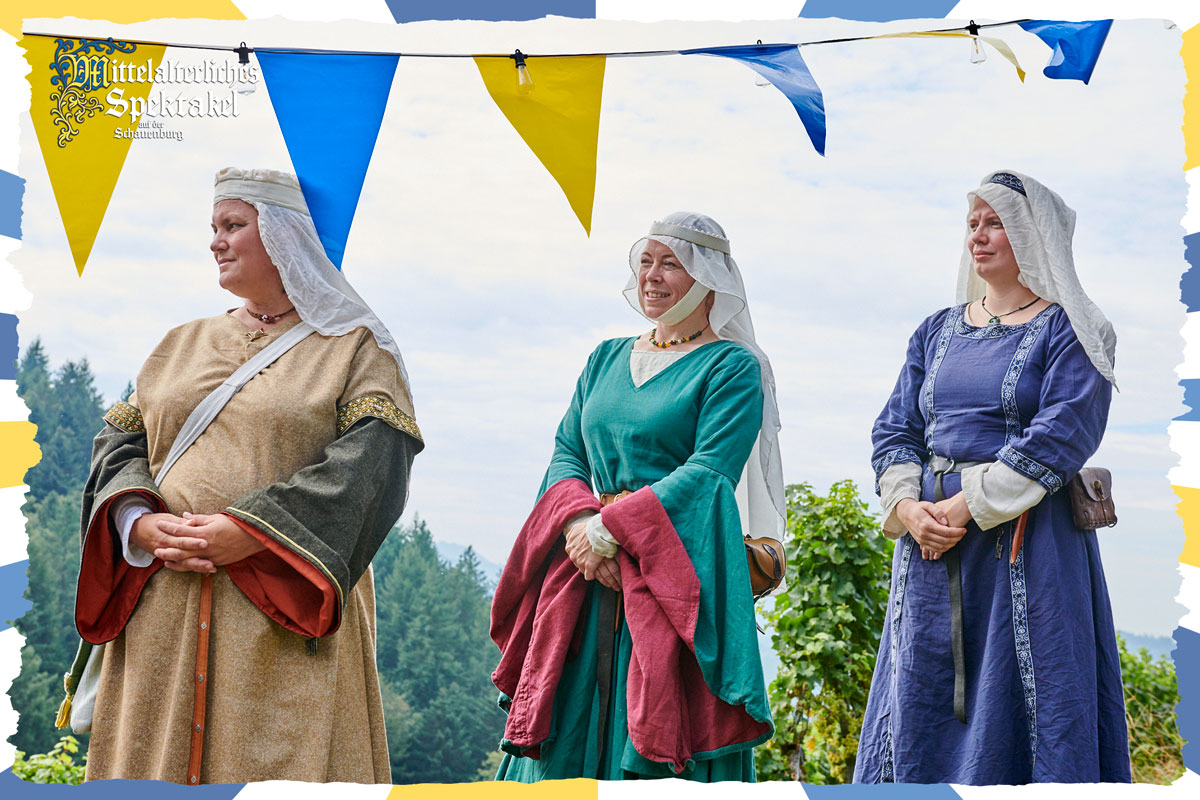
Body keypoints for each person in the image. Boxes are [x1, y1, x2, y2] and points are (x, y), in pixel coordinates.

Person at [74, 167, 423, 784]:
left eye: (233, 225)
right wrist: (139, 521)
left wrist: (253, 532)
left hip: (282, 610)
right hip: (162, 608)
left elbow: (374, 465)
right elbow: (120, 444)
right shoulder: (179, 343)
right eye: (214, 227)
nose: (216, 242)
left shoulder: (356, 347)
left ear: (286, 237)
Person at [854, 170, 1130, 784]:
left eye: (995, 223)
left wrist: (964, 506)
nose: (978, 236)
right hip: (929, 545)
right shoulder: (935, 330)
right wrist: (907, 508)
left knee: (1029, 688)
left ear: (1032, 233)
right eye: (972, 223)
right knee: (920, 690)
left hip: (1030, 544)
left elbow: (1063, 431)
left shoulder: (1073, 330)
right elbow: (896, 427)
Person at [491, 212, 781, 781]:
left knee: (658, 729)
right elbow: (567, 451)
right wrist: (579, 525)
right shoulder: (604, 358)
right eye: (645, 262)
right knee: (567, 729)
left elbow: (709, 471)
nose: (652, 276)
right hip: (584, 573)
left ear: (708, 278)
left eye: (670, 263)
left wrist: (612, 530)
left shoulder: (732, 367)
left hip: (671, 578)